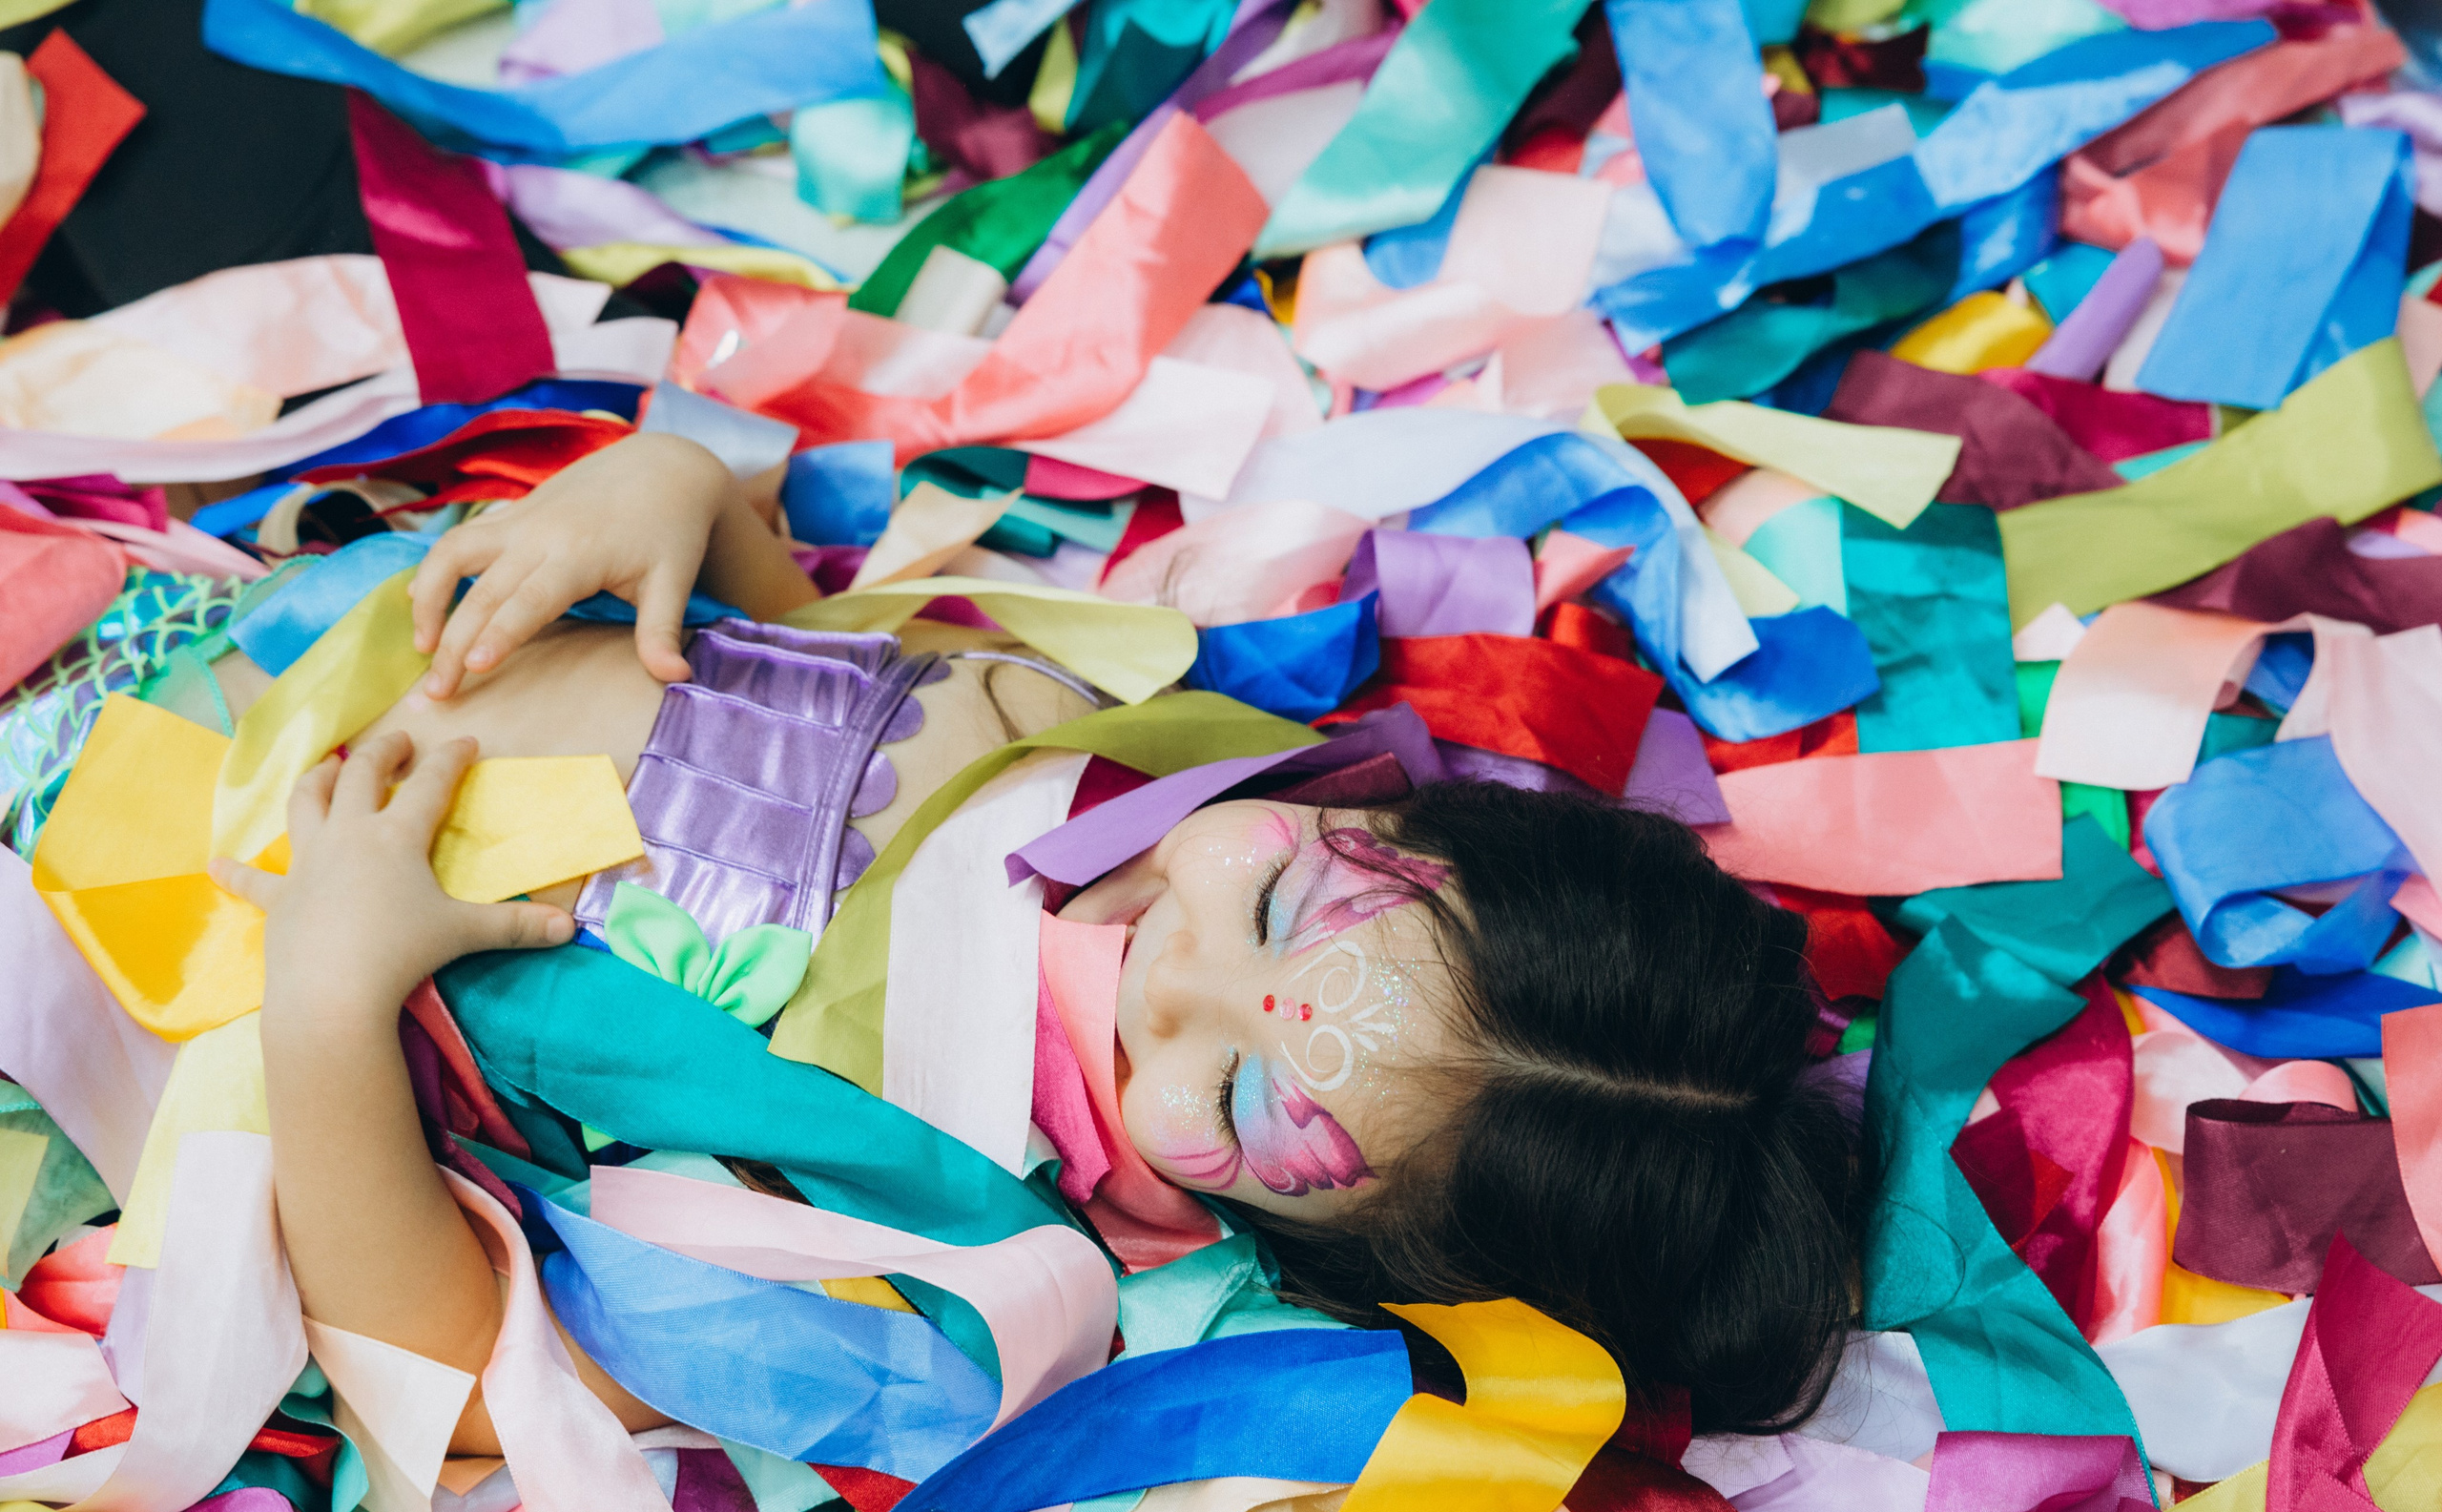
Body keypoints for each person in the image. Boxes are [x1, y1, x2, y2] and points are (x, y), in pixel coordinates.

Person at [199, 431, 1866, 1456]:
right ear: (1396, 825)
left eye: (1243, 1098)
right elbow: (810, 674)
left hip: (111, 929)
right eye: (1280, 904)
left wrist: (332, 998)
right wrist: (687, 504)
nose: (1171, 971)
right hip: (246, 604)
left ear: (1335, 1261)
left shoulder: (937, 1262)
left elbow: (464, 1387)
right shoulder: (1071, 730)